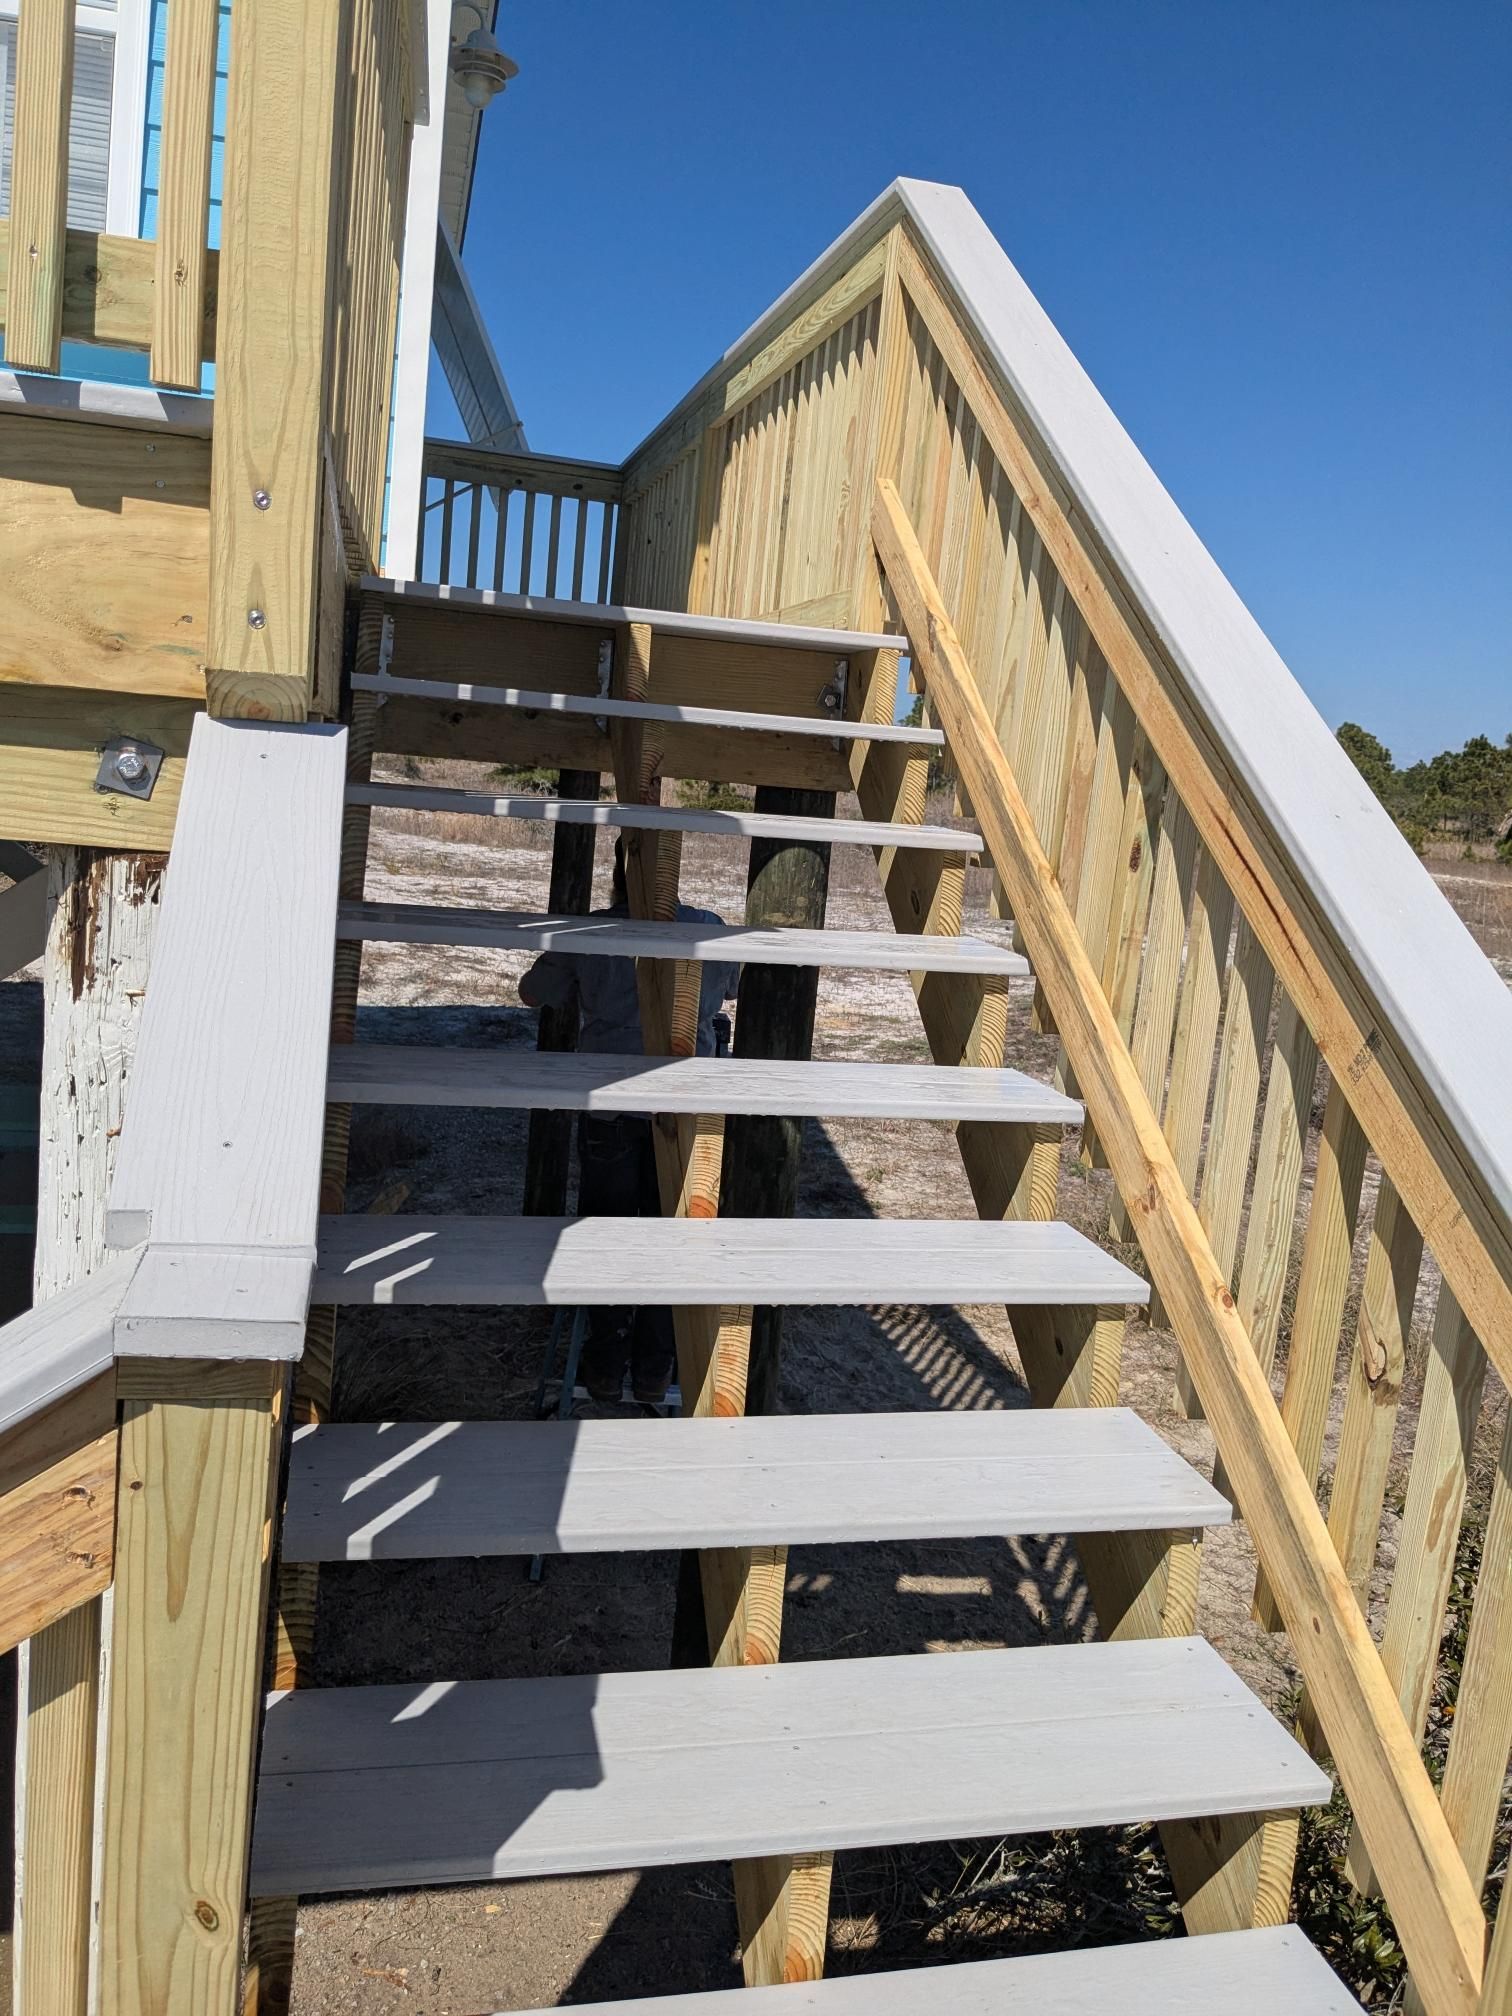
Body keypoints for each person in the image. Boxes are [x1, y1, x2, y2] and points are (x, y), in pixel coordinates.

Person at [518, 836, 739, 1404]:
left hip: (612, 1101)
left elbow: (532, 992)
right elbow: (731, 988)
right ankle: (654, 1368)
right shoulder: (708, 924)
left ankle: (604, 1365)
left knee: (609, 1230)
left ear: (618, 872)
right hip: (686, 1102)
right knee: (675, 1235)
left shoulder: (589, 932)